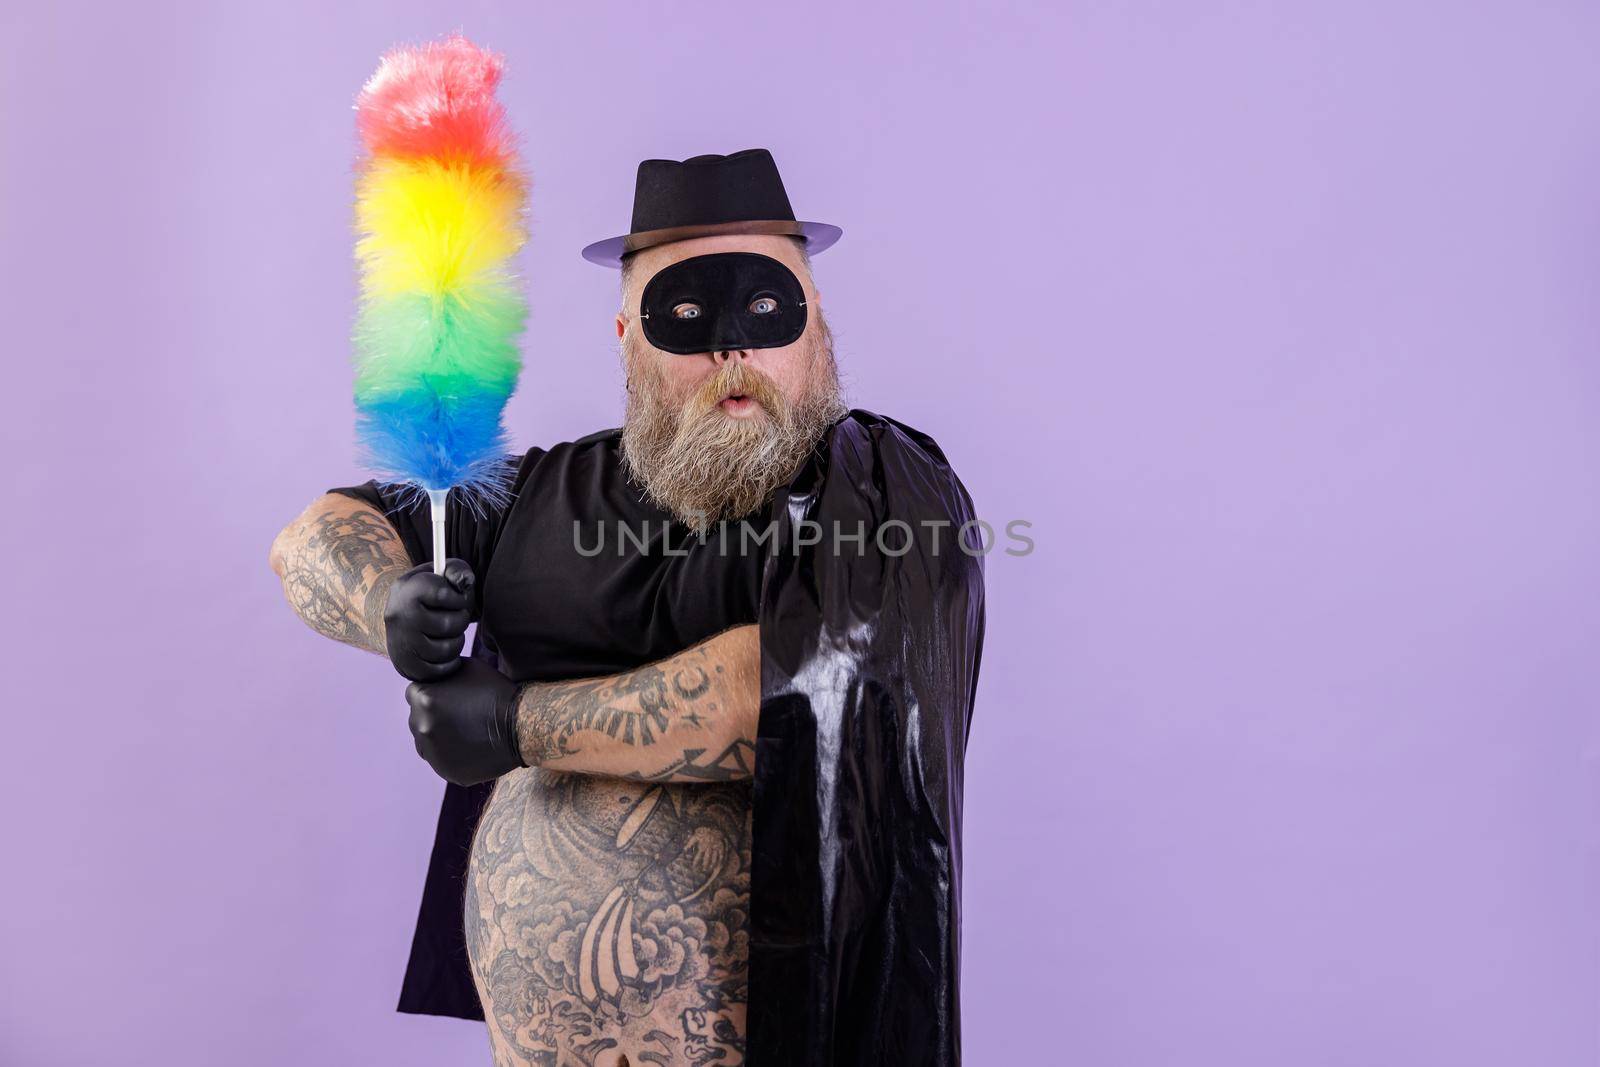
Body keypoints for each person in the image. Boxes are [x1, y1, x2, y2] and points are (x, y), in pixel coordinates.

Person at [269, 148, 986, 1066]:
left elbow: (790, 685)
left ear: (817, 330)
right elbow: (313, 538)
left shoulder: (889, 492)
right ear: (627, 336)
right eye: (687, 314)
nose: (735, 347)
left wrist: (514, 721)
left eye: (768, 310)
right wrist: (387, 603)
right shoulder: (531, 494)